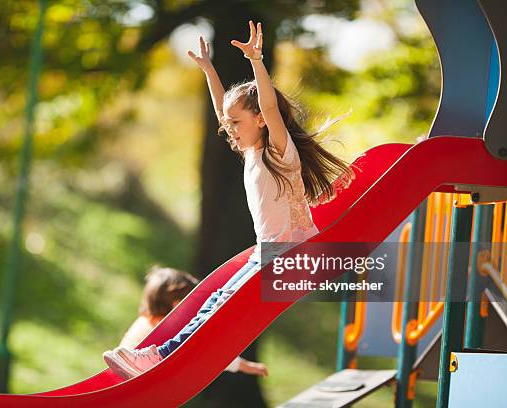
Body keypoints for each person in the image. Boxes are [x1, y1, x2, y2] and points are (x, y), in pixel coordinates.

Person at [104, 20, 354, 380]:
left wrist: (256, 60)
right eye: (229, 124)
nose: (230, 129)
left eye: (237, 123)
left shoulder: (278, 153)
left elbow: (268, 105)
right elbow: (225, 108)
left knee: (220, 304)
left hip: (292, 254)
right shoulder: (252, 152)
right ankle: (159, 354)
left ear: (260, 121)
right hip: (270, 252)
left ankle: (160, 356)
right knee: (213, 300)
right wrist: (209, 69)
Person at [112, 266, 268, 377]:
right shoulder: (170, 329)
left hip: (124, 375)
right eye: (192, 302)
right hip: (145, 378)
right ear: (177, 303)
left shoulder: (143, 321)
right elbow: (208, 353)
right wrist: (245, 366)